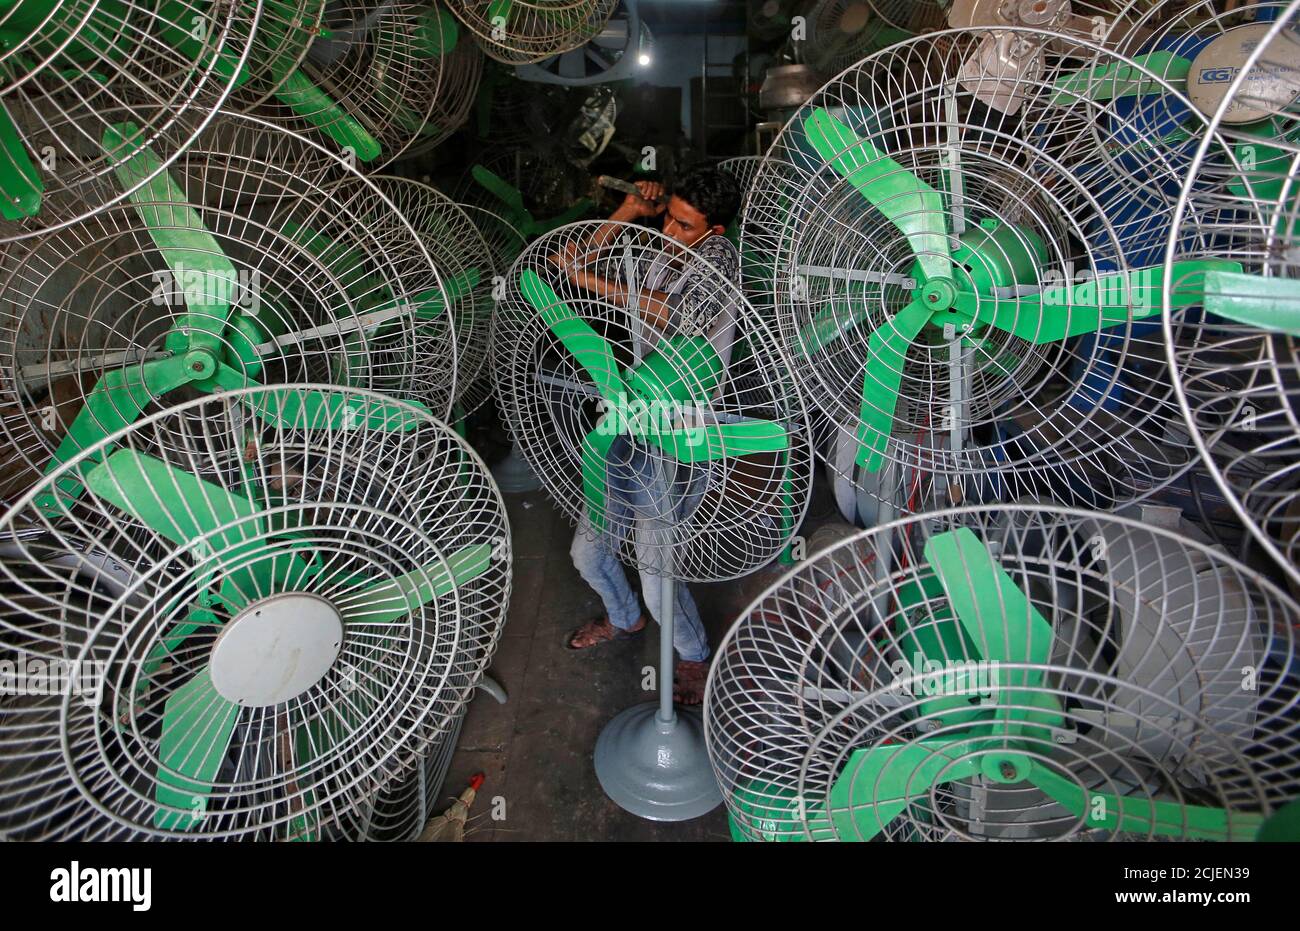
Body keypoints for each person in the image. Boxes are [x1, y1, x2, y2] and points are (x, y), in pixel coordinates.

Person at [556, 166, 742, 705]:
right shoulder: (661, 241)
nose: (669, 232)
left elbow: (666, 311)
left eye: (684, 226)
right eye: (668, 219)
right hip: (626, 416)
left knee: (658, 572)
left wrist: (593, 286)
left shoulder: (719, 262)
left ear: (714, 231)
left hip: (678, 431)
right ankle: (624, 619)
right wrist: (627, 214)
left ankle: (693, 656)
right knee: (588, 555)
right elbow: (575, 263)